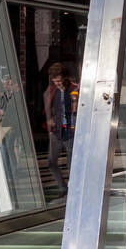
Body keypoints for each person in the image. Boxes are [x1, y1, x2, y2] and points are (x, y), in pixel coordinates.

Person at [43, 63, 78, 198]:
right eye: (54, 81)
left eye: (58, 80)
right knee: (51, 162)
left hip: (70, 131)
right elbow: (49, 106)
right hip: (57, 131)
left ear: (64, 78)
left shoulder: (74, 89)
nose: (56, 83)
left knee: (71, 164)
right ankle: (63, 187)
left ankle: (72, 189)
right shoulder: (54, 91)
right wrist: (50, 119)